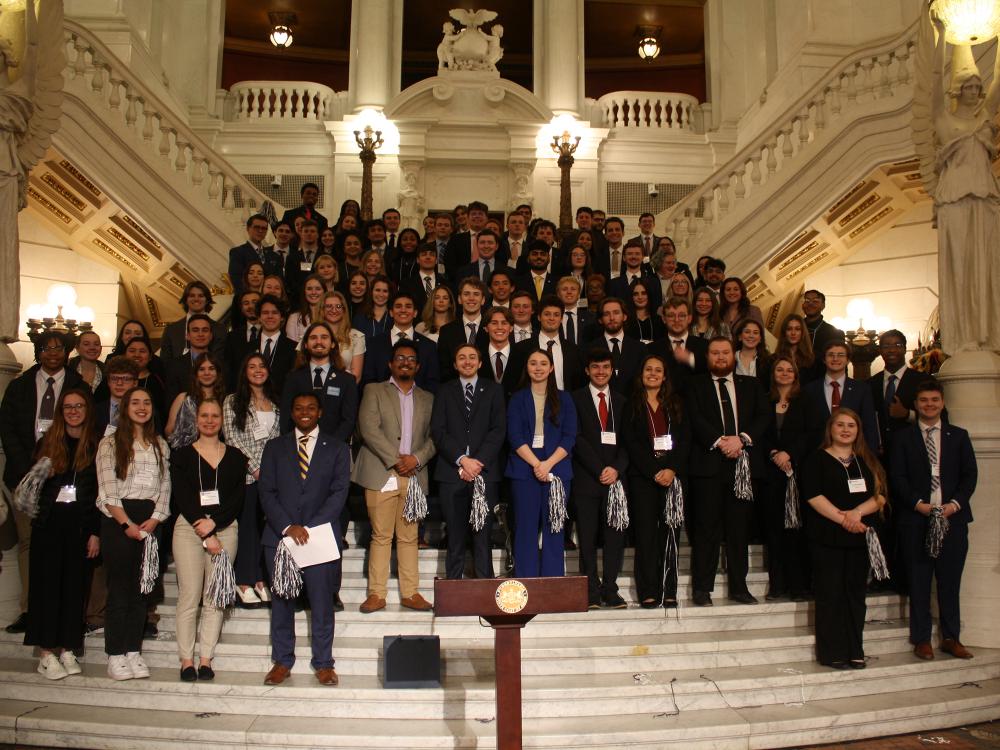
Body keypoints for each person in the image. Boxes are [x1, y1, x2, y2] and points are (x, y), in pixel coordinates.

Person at [258, 392, 349, 686]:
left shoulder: (336, 448)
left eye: (311, 408)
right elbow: (267, 492)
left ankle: (324, 663)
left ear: (320, 412)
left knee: (322, 603)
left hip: (318, 539)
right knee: (282, 603)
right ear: (292, 413)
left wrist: (309, 527)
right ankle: (282, 662)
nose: (305, 412)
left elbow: (339, 493)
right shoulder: (274, 448)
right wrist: (288, 527)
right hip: (281, 539)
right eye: (299, 408)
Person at [0, 331, 84, 633]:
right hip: (25, 478)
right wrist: (29, 469)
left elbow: (84, 429)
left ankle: (58, 607)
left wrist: (58, 465)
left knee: (61, 544)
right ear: (37, 352)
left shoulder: (78, 385)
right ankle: (29, 608)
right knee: (28, 543)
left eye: (58, 348)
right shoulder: (20, 386)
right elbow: (7, 429)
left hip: (64, 478)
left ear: (66, 352)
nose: (52, 353)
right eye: (46, 348)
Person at [891, 381, 978, 661]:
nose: (929, 404)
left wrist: (952, 506)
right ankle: (922, 639)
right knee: (919, 581)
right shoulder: (902, 438)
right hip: (916, 518)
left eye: (934, 400)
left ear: (942, 403)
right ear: (915, 405)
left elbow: (970, 476)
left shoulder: (959, 436)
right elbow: (898, 477)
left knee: (950, 582)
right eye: (924, 400)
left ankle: (951, 638)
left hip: (953, 519)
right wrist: (920, 505)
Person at [352, 340, 437, 613]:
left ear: (418, 366)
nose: (405, 362)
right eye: (400, 357)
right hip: (382, 471)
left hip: (414, 474)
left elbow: (434, 438)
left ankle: (410, 592)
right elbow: (368, 428)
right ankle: (377, 594)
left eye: (411, 359)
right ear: (390, 363)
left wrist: (417, 459)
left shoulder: (428, 398)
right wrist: (395, 459)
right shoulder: (374, 390)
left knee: (410, 536)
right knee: (381, 535)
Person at [800, 407, 887, 669]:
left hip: (859, 538)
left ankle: (855, 649)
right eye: (841, 425)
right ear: (831, 429)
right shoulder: (816, 459)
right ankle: (833, 652)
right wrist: (845, 520)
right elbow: (814, 497)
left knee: (855, 595)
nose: (846, 429)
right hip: (827, 537)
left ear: (858, 431)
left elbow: (881, 495)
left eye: (851, 425)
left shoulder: (867, 460)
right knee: (830, 595)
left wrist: (857, 513)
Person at [686, 336, 771, 606]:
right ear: (707, 357)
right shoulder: (695, 385)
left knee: (738, 529)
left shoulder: (752, 385)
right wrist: (720, 441)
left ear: (733, 356)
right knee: (706, 529)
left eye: (725, 353)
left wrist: (741, 438)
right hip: (707, 466)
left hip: (741, 467)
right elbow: (694, 417)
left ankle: (739, 586)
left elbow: (763, 416)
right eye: (714, 353)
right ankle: (702, 588)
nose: (720, 358)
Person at [24, 387, 100, 680]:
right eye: (68, 407)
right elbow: (33, 486)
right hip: (48, 527)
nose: (73, 411)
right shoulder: (48, 443)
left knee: (74, 589)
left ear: (87, 410)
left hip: (79, 527)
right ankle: (46, 652)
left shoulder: (95, 445)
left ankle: (68, 647)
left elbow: (97, 492)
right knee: (46, 589)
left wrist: (95, 532)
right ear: (61, 411)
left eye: (78, 406)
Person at [96, 386, 171, 680]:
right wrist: (127, 524)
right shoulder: (110, 444)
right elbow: (108, 491)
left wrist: (154, 520)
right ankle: (115, 654)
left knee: (142, 590)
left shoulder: (160, 444)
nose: (142, 407)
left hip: (150, 521)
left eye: (147, 402)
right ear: (125, 407)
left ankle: (132, 650)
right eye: (135, 402)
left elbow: (165, 487)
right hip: (119, 521)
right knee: (119, 590)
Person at [170, 398, 246, 681]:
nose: (210, 420)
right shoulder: (181, 456)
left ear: (222, 421)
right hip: (189, 529)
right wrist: (205, 529)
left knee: (214, 599)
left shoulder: (237, 457)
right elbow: (182, 496)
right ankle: (186, 660)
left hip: (225, 529)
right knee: (189, 597)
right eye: (205, 415)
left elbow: (237, 499)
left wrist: (214, 525)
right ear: (196, 419)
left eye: (215, 416)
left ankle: (206, 659)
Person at [430, 344, 506, 579]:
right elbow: (438, 430)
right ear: (455, 364)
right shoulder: (443, 391)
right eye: (461, 358)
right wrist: (463, 460)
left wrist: (477, 462)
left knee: (482, 534)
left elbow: (498, 430)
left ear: (480, 363)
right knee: (455, 533)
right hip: (452, 472)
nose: (467, 361)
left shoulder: (494, 390)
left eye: (472, 357)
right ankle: (453, 589)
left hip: (484, 473)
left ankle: (485, 586)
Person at [624, 354, 691, 609]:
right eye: (648, 369)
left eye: (658, 370)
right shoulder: (632, 405)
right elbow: (631, 442)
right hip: (643, 478)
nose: (652, 373)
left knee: (671, 534)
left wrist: (671, 469)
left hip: (672, 477)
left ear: (665, 376)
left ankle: (669, 589)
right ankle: (648, 591)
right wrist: (654, 471)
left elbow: (685, 440)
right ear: (641, 374)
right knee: (645, 536)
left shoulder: (676, 404)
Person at [505, 349, 577, 577]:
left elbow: (569, 436)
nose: (538, 368)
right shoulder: (517, 398)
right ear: (527, 368)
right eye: (533, 363)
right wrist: (538, 464)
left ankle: (553, 581)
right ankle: (526, 581)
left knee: (554, 528)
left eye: (543, 363)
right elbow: (514, 436)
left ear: (551, 368)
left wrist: (548, 465)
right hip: (524, 470)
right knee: (525, 528)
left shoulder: (565, 399)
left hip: (557, 471)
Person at [571, 348, 630, 608]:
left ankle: (610, 589)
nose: (601, 371)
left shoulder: (622, 401)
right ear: (587, 370)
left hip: (616, 481)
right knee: (587, 537)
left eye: (605, 367)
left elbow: (630, 441)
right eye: (595, 367)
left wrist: (615, 468)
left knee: (614, 538)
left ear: (612, 370)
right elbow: (577, 438)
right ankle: (590, 591)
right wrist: (599, 468)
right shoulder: (575, 399)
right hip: (587, 479)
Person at [224, 353, 282, 609]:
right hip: (247, 476)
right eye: (252, 366)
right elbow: (232, 439)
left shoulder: (276, 402)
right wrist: (257, 469)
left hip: (273, 478)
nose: (258, 370)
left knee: (266, 529)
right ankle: (244, 581)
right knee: (247, 528)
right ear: (244, 371)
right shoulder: (233, 401)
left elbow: (280, 440)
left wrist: (271, 472)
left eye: (262, 366)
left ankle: (261, 579)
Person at [761, 355, 810, 601]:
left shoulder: (805, 400)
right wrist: (773, 453)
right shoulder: (765, 400)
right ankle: (777, 585)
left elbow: (811, 433)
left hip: (797, 473)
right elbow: (760, 432)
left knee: (796, 531)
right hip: (771, 474)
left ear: (795, 374)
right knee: (774, 531)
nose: (784, 373)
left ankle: (798, 586)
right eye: (779, 369)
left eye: (789, 370)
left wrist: (790, 454)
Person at [280, 322, 358, 445]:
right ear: (305, 344)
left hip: (333, 451)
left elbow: (348, 421)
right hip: (299, 449)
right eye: (313, 338)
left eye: (324, 337)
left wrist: (329, 446)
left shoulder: (347, 380)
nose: (319, 342)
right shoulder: (292, 378)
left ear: (332, 344)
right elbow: (286, 417)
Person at [802, 340, 879, 453]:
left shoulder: (862, 389)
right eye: (831, 355)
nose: (835, 359)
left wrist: (869, 457)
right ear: (824, 359)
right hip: (817, 453)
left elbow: (869, 426)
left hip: (853, 453)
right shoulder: (809, 389)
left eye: (841, 355)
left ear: (848, 360)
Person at [364, 291, 441, 393]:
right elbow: (369, 381)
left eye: (408, 306)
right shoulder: (374, 343)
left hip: (418, 405)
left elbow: (433, 383)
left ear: (415, 313)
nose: (403, 310)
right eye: (398, 306)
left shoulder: (429, 346)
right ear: (391, 312)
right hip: (381, 405)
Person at [507, 295, 584, 393]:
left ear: (561, 319)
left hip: (564, 404)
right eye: (547, 314)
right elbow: (513, 383)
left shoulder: (573, 350)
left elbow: (578, 384)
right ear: (539, 317)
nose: (551, 318)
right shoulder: (521, 348)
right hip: (532, 404)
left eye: (556, 315)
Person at [647, 296, 708, 396]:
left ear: (689, 318)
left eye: (682, 315)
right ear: (664, 319)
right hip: (663, 403)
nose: (676, 320)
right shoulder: (651, 349)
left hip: (697, 404)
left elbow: (711, 373)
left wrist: (690, 359)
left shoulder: (704, 345)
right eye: (671, 315)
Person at [165, 353, 225, 450]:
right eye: (201, 369)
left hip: (217, 451)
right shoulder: (183, 398)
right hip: (187, 453)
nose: (206, 373)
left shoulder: (225, 401)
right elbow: (169, 430)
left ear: (217, 372)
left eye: (211, 368)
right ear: (196, 374)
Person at [158, 281, 226, 361]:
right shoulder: (171, 330)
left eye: (201, 296)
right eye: (192, 295)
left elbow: (220, 360)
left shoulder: (220, 329)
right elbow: (165, 362)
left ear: (207, 300)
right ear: (186, 300)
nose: (196, 299)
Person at [437, 277, 488, 381]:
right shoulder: (446, 331)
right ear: (459, 299)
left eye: (476, 294)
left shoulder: (492, 329)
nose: (471, 298)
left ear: (483, 300)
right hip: (455, 391)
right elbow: (444, 367)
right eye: (466, 294)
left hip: (487, 391)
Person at [163, 314, 221, 405]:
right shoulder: (174, 366)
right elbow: (170, 404)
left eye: (205, 330)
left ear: (211, 336)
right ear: (187, 336)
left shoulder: (222, 364)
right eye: (195, 330)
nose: (200, 334)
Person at [591, 297, 645, 392]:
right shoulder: (589, 349)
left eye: (616, 313)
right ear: (600, 320)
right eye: (606, 314)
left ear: (624, 316)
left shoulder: (640, 348)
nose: (612, 318)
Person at [123, 336, 167, 427]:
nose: (137, 355)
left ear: (150, 356)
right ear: (124, 355)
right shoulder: (114, 380)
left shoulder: (159, 382)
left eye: (142, 351)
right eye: (132, 351)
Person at [322, 290, 365, 382]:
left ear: (344, 310)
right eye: (329, 306)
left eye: (338, 306)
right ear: (322, 310)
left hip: (344, 390)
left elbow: (356, 377)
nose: (334, 310)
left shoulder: (356, 336)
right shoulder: (310, 333)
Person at [479, 306, 520, 400]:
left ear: (511, 328)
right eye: (494, 323)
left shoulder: (522, 355)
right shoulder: (477, 356)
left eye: (504, 323)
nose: (499, 327)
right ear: (486, 328)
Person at [94, 356, 139, 436]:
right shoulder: (95, 411)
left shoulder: (145, 410)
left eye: (125, 379)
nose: (119, 383)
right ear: (108, 382)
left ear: (135, 383)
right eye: (114, 378)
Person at [228, 214, 271, 297]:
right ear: (248, 229)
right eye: (256, 227)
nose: (260, 231)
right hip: (248, 299)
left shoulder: (272, 254)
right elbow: (237, 280)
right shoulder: (237, 252)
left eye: (264, 228)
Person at [402, 244, 448, 314]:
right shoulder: (406, 284)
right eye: (424, 254)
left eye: (432, 255)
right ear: (417, 260)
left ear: (436, 260)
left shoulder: (445, 283)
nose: (428, 257)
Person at [775, 313, 818, 383]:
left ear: (802, 332)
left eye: (797, 329)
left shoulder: (813, 360)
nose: (793, 333)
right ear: (784, 333)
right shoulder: (773, 359)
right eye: (789, 329)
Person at [352, 275, 393, 346]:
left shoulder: (395, 317)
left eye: (385, 291)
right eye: (377, 290)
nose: (381, 294)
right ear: (371, 292)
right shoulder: (360, 318)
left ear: (389, 294)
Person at [801, 290, 844, 355]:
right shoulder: (794, 330)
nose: (810, 304)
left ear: (823, 306)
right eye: (807, 301)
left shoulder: (835, 334)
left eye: (815, 301)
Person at [286, 274, 326, 344]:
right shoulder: (294, 318)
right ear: (304, 292)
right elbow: (291, 347)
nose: (313, 292)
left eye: (318, 289)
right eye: (309, 289)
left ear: (324, 291)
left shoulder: (331, 316)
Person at [733, 318, 771, 390]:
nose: (751, 336)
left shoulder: (768, 362)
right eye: (747, 332)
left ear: (760, 339)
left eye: (755, 333)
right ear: (740, 337)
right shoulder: (730, 359)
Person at [624, 278, 665, 344]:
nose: (640, 297)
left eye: (644, 293)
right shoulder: (626, 322)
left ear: (649, 295)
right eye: (635, 294)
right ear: (631, 297)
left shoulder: (659, 320)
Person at [557, 276, 594, 346]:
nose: (569, 292)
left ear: (579, 294)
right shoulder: (553, 317)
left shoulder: (591, 318)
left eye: (573, 289)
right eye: (564, 289)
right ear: (558, 294)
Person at [68, 330, 106, 397]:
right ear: (77, 348)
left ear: (101, 348)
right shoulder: (68, 369)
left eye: (96, 344)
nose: (92, 348)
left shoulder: (107, 371)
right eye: (86, 344)